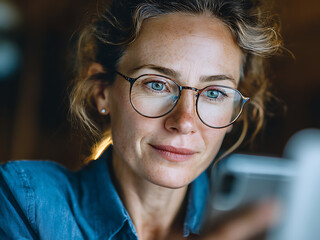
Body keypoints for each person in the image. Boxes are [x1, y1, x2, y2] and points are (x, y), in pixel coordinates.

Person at [0, 0, 282, 239]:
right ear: (102, 92)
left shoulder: (268, 224)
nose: (184, 122)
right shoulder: (25, 201)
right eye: (157, 85)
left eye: (215, 93)